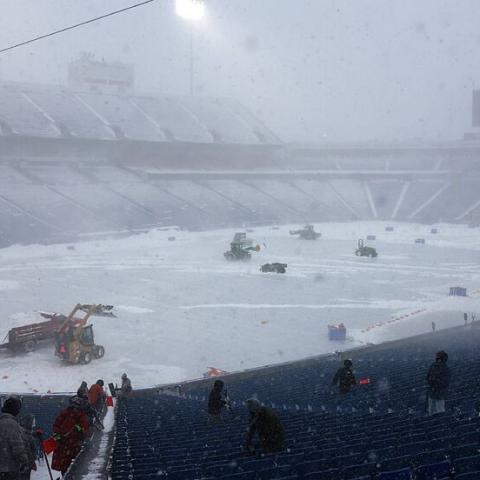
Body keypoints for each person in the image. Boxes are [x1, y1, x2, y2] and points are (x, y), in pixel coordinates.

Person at [51, 396, 90, 476]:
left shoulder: (81, 416)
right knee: (64, 466)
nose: (75, 408)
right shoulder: (65, 413)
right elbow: (56, 426)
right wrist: (58, 438)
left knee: (74, 466)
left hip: (74, 445)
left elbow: (85, 430)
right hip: (64, 445)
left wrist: (78, 429)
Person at [0, 396, 29, 480]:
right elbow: (17, 446)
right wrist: (24, 461)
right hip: (9, 468)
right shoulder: (12, 425)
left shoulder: (2, 422)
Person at [426, 350, 450, 415]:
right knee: (431, 411)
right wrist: (431, 381)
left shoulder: (445, 368)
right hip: (433, 392)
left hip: (439, 393)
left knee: (440, 411)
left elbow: (445, 383)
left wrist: (435, 381)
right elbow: (427, 377)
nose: (438, 359)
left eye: (439, 358)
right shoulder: (433, 365)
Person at [18, 415, 36, 480]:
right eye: (32, 423)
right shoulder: (23, 435)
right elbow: (26, 450)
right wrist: (26, 463)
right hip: (25, 464)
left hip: (27, 464)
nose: (33, 426)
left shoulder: (26, 433)